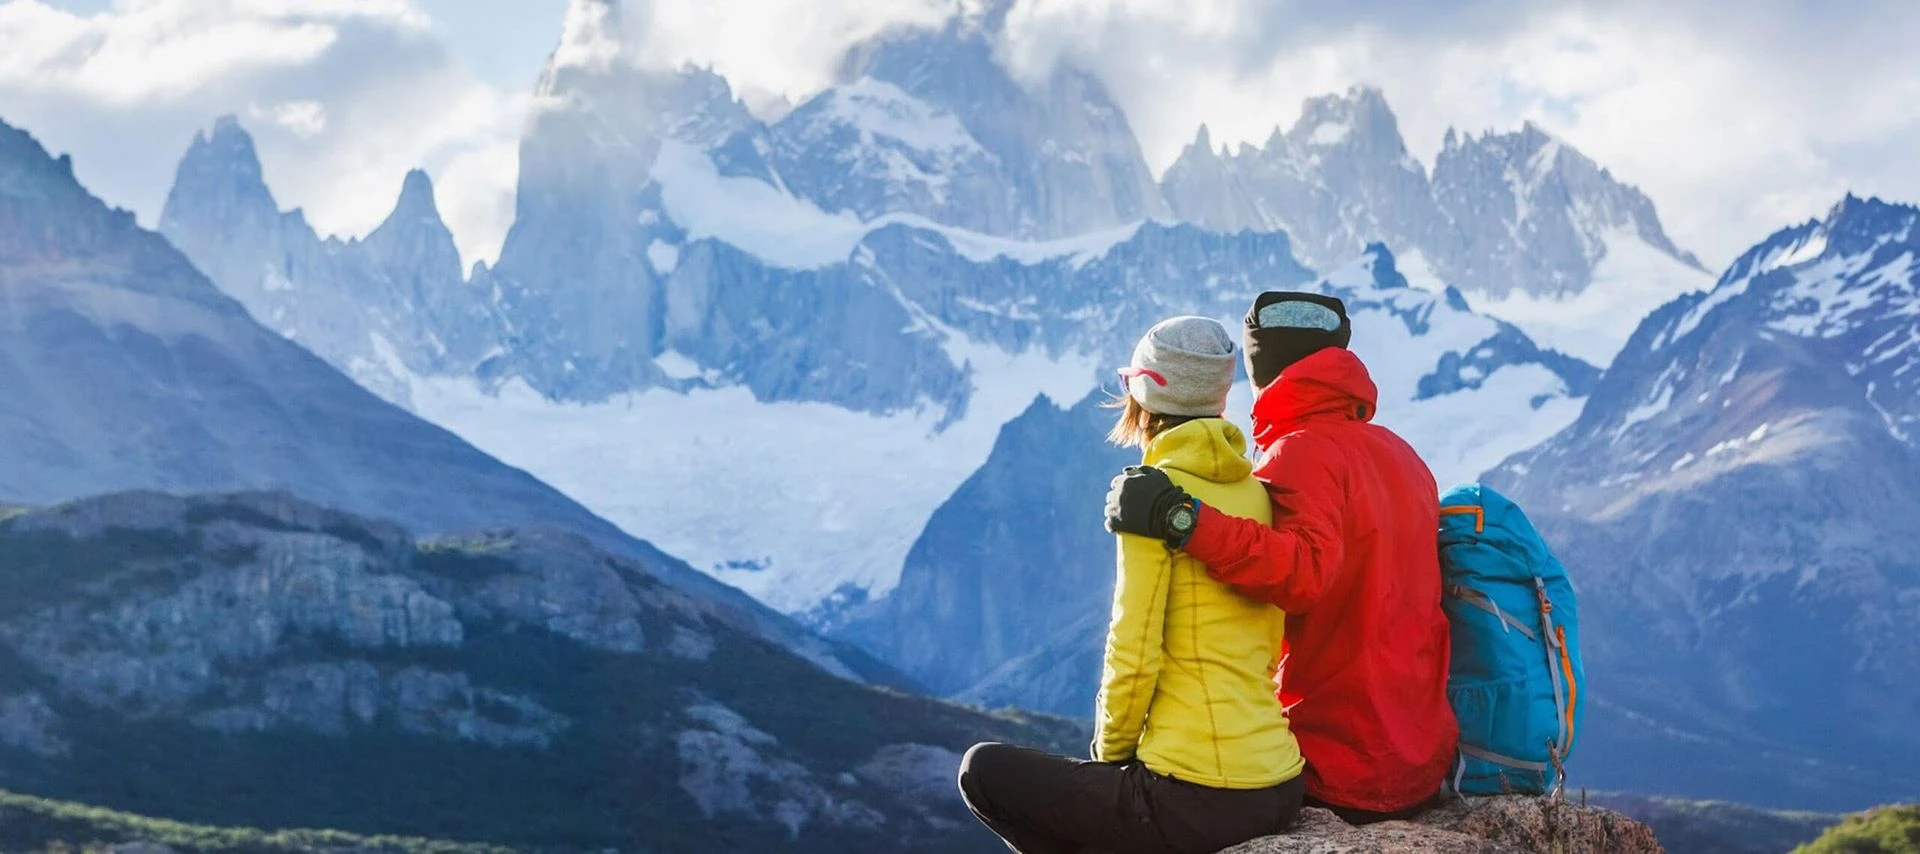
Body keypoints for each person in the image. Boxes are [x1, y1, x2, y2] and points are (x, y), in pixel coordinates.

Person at [1104, 292, 1457, 825]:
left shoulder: (1299, 452)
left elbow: (1302, 576)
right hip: (1420, 761)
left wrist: (1182, 519)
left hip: (1341, 763)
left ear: (1261, 368)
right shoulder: (1403, 455)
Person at [958, 316, 1307, 854]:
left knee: (982, 769)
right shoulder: (1260, 493)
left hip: (1200, 793)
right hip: (1279, 780)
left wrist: (1110, 755)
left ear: (1145, 394)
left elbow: (1134, 648)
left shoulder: (1152, 499)